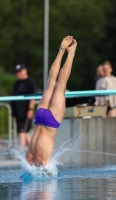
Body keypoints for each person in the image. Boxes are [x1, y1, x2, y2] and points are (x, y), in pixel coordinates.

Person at [26, 36, 77, 166]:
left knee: (59, 84)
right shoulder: (29, 159)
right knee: (53, 83)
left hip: (50, 122)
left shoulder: (33, 161)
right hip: (39, 118)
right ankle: (62, 50)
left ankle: (69, 53)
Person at [11, 64, 36, 150]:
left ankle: (19, 155)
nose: (18, 74)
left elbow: (32, 96)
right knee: (23, 133)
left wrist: (30, 109)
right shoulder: (16, 83)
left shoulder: (30, 82)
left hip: (25, 112)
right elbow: (13, 97)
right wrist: (13, 111)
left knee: (22, 133)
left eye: (19, 71)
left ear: (25, 71)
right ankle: (34, 151)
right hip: (18, 113)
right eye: (16, 72)